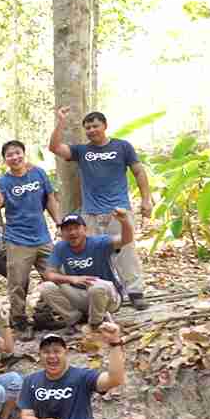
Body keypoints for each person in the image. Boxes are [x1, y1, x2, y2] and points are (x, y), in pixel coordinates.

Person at [49, 109, 151, 311]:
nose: (91, 130)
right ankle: (107, 292)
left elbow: (138, 171)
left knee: (126, 251)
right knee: (94, 254)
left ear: (105, 125)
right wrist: (60, 121)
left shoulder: (122, 146)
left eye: (95, 126)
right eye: (87, 127)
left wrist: (146, 199)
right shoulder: (82, 151)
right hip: (90, 213)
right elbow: (54, 147)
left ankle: (135, 292)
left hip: (118, 210)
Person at [0, 140, 62, 341]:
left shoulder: (38, 173)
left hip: (42, 237)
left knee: (55, 276)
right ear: (5, 160)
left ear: (23, 153)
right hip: (17, 240)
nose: (15, 157)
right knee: (18, 283)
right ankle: (19, 321)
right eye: (9, 155)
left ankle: (43, 314)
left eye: (17, 153)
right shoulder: (3, 182)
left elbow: (50, 199)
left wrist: (58, 223)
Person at [38, 211, 132, 330]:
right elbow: (49, 274)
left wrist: (124, 221)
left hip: (108, 296)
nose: (72, 232)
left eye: (76, 228)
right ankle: (76, 319)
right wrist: (72, 279)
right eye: (67, 229)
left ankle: (95, 323)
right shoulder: (60, 247)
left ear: (85, 230)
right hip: (81, 295)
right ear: (62, 233)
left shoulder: (99, 243)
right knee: (46, 287)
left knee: (96, 287)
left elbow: (126, 239)